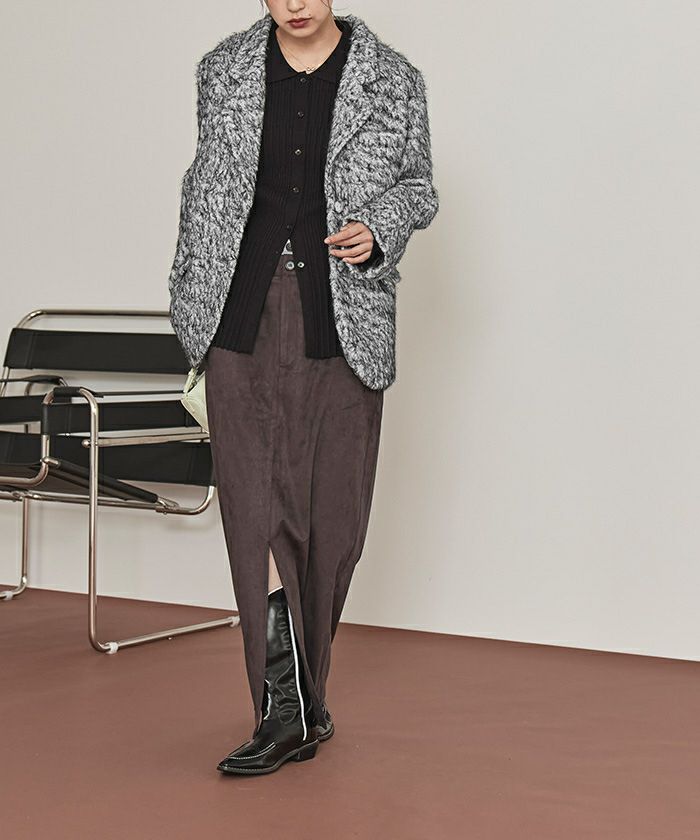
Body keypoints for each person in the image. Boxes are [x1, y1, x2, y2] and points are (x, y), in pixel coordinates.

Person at [167, 0, 439, 776]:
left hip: (340, 317)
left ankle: (308, 698)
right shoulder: (222, 70)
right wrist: (189, 298)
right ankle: (280, 711)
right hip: (240, 314)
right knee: (255, 512)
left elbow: (419, 187)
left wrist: (379, 230)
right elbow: (206, 189)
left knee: (333, 521)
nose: (292, 4)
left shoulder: (392, 79)